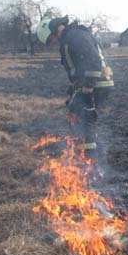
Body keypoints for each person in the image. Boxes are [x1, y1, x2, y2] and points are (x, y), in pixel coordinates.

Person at [36, 16, 114, 166]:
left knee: (83, 121)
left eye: (51, 40)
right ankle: (92, 155)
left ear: (55, 30)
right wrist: (74, 89)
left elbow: (93, 60)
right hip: (94, 84)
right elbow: (78, 68)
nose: (53, 44)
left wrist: (89, 85)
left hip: (97, 84)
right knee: (79, 118)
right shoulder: (70, 37)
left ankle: (89, 161)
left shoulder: (75, 36)